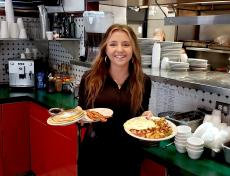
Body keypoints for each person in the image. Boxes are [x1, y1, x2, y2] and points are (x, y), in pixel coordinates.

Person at [77, 24, 152, 176]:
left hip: (128, 158)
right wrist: (79, 116)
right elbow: (82, 112)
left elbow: (140, 115)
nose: (119, 50)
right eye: (113, 44)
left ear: (134, 49)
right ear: (105, 48)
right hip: (94, 156)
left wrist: (146, 118)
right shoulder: (90, 78)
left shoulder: (143, 81)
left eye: (126, 44)